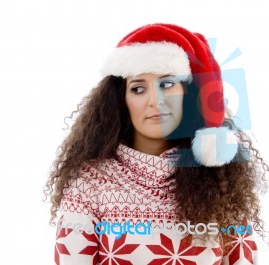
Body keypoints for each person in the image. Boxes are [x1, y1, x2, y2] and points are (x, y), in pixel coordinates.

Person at [44, 23, 268, 264]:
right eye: (138, 88)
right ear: (120, 100)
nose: (155, 101)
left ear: (188, 94)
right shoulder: (89, 184)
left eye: (168, 84)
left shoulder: (221, 183)